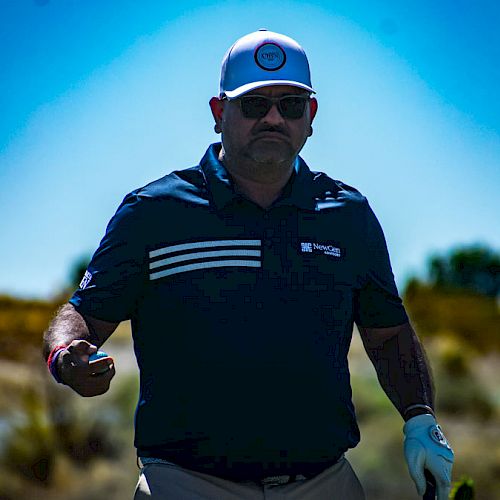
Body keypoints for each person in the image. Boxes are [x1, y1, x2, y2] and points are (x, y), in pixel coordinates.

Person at [43, 29, 454, 499]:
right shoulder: (153, 213)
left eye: (291, 105)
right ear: (220, 114)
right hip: (185, 483)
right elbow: (82, 313)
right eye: (255, 105)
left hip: (323, 482)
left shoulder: (348, 216)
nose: (274, 118)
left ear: (311, 116)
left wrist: (420, 419)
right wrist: (66, 354)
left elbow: (389, 334)